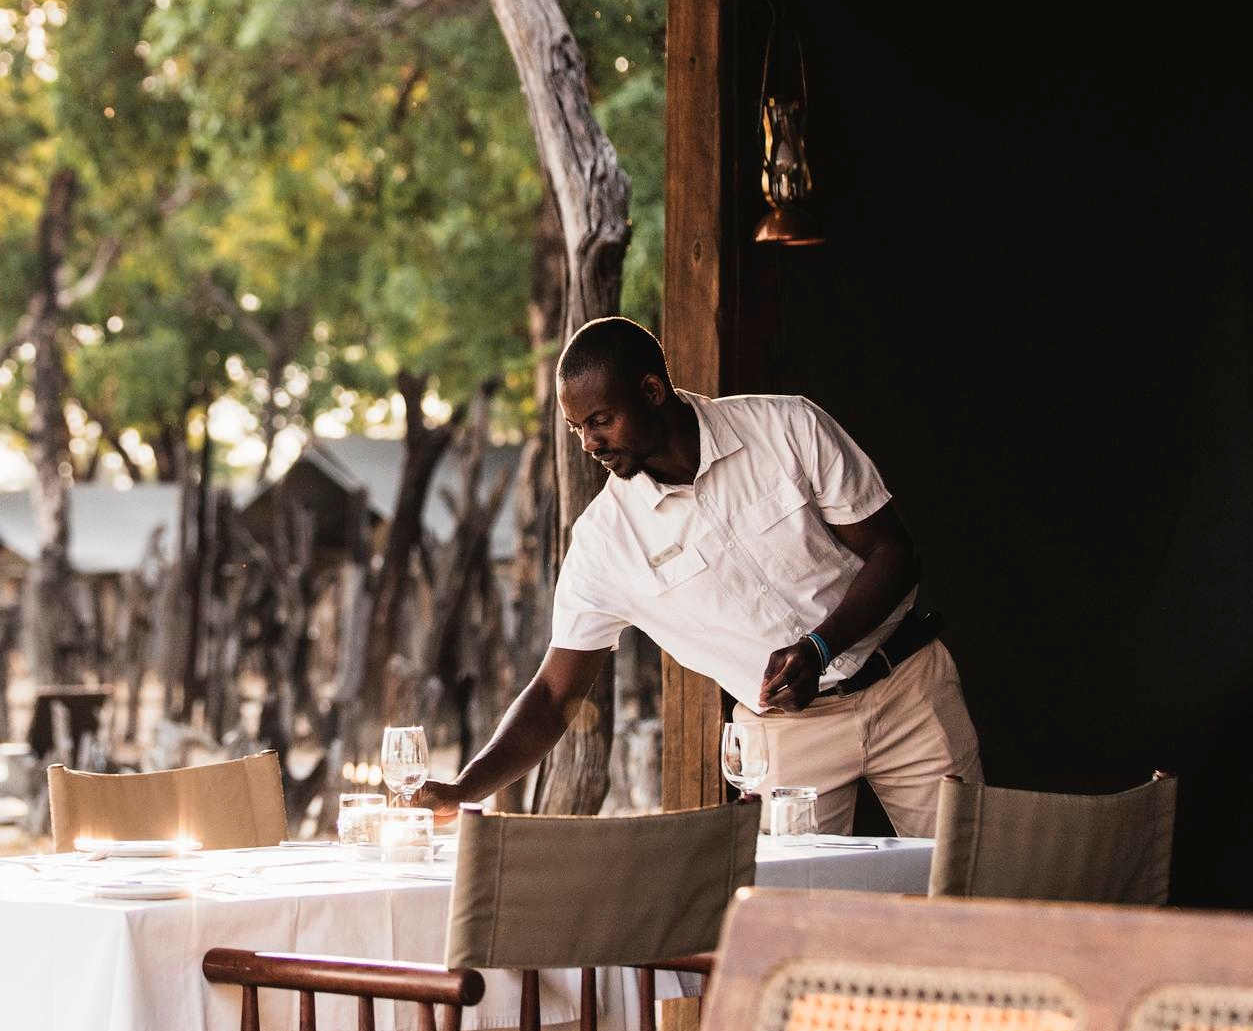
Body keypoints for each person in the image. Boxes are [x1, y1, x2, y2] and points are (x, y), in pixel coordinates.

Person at [416, 316, 980, 837]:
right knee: (784, 922)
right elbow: (551, 696)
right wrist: (466, 786)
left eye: (601, 421)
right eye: (576, 428)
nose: (589, 443)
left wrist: (819, 646)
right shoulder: (604, 543)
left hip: (907, 690)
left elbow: (894, 554)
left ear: (652, 392)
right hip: (784, 735)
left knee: (972, 890)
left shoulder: (787, 426)